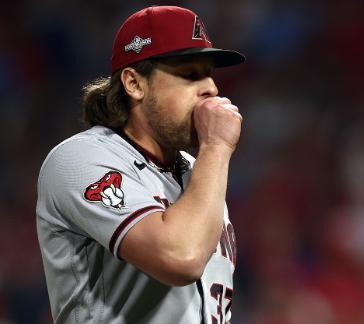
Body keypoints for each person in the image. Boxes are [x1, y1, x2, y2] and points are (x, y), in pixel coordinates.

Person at [36, 5, 244, 323]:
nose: (211, 89)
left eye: (209, 74)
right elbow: (180, 258)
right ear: (134, 83)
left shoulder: (199, 171)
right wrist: (216, 146)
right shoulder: (80, 159)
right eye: (189, 74)